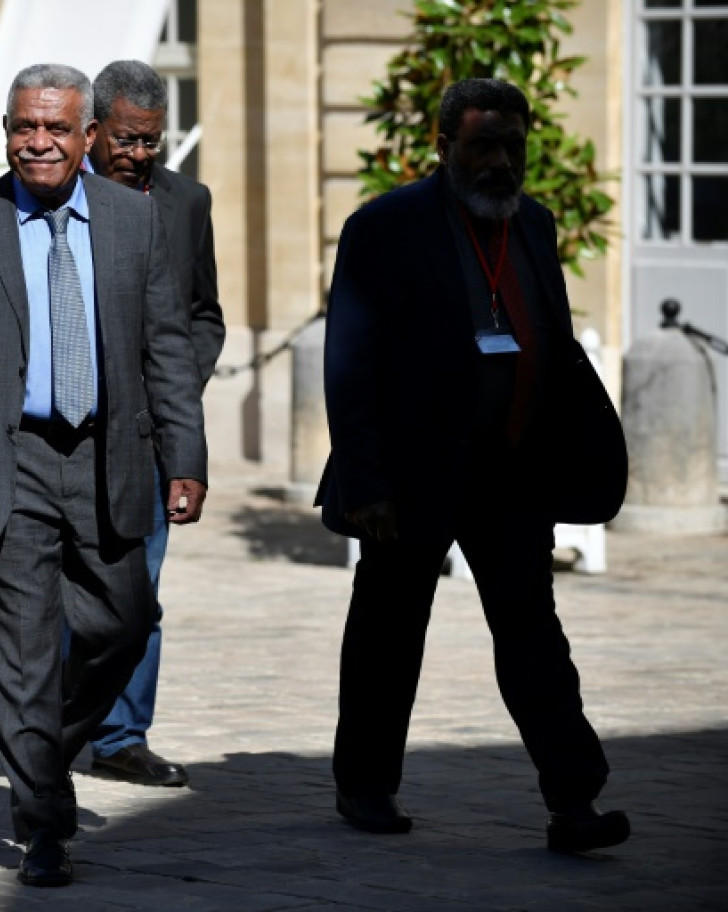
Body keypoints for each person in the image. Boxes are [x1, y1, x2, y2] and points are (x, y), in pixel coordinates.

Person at [0, 63, 208, 887]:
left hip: (111, 459)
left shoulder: (134, 223)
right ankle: (42, 826)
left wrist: (188, 457)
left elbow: (167, 348)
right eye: (24, 128)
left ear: (88, 137)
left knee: (124, 623)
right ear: (7, 134)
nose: (39, 143)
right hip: (7, 463)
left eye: (57, 129)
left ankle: (44, 752)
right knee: (23, 656)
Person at [317, 78, 630, 854]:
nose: (500, 161)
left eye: (512, 146)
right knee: (388, 636)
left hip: (511, 472)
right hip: (410, 475)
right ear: (444, 145)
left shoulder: (537, 225)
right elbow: (349, 365)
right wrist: (365, 483)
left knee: (534, 641)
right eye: (483, 145)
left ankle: (574, 801)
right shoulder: (383, 228)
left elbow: (551, 346)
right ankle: (365, 784)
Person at [84, 59, 224, 789]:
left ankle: (119, 737)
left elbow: (205, 315)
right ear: (93, 129)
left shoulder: (186, 202)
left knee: (140, 592)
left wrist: (174, 397)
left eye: (151, 142)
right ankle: (54, 719)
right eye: (127, 140)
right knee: (58, 594)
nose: (140, 156)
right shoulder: (52, 194)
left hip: (148, 437)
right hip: (60, 435)